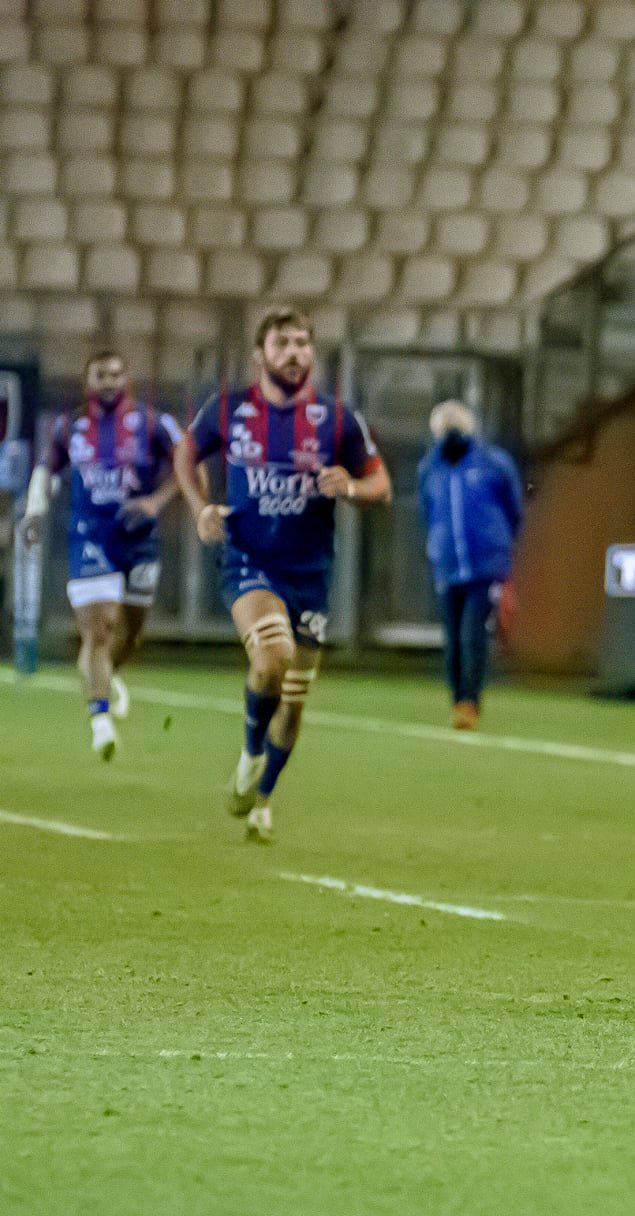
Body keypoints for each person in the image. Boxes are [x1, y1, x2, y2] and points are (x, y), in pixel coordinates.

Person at [173, 307, 391, 842]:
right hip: (249, 558)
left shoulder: (337, 420)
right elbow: (186, 452)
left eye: (302, 343)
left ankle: (261, 797)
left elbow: (380, 483)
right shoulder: (229, 411)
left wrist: (352, 488)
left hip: (309, 573)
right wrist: (201, 504)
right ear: (259, 355)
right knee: (272, 658)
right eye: (282, 343)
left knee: (293, 702)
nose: (294, 353)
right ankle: (250, 752)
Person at [20, 350, 181, 760]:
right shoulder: (69, 428)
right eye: (100, 375)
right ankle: (101, 721)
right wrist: (35, 512)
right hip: (91, 538)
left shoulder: (152, 424)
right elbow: (45, 469)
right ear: (87, 381)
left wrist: (155, 504)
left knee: (130, 633)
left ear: (127, 378)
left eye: (115, 374)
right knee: (99, 628)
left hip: (139, 541)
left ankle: (110, 676)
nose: (108, 381)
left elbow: (187, 468)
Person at [418, 399, 523, 731]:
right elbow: (428, 511)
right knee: (453, 638)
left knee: (472, 634)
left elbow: (513, 508)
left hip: (485, 565)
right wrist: (438, 546)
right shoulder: (430, 468)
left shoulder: (493, 463)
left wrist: (499, 546)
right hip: (448, 566)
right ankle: (457, 700)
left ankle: (470, 701)